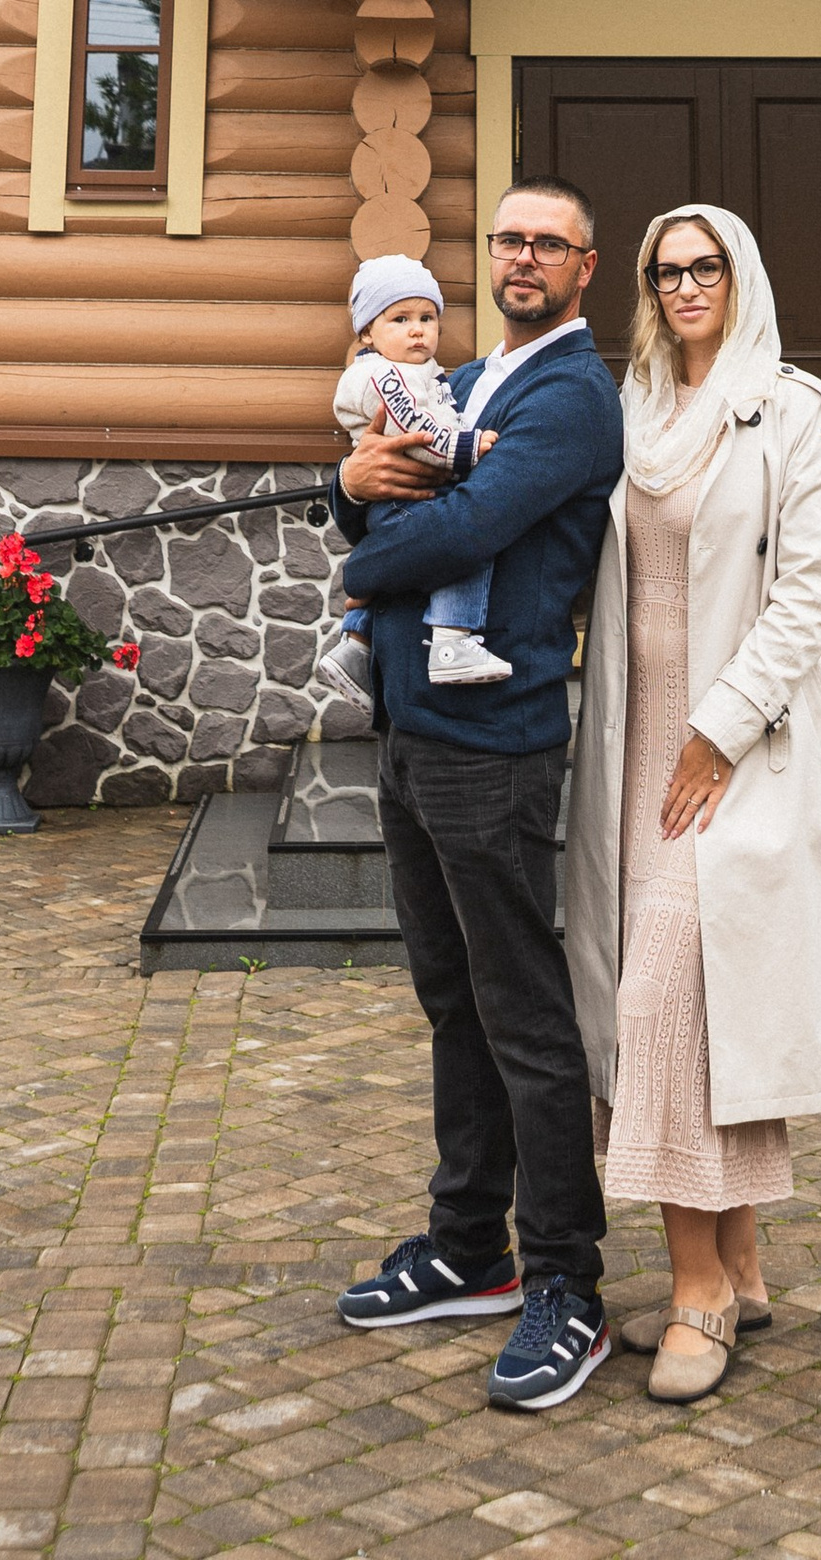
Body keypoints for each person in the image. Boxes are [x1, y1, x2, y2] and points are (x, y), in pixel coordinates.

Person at [564, 201, 821, 1405]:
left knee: (669, 1004)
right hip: (628, 739)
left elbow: (813, 597)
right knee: (679, 1007)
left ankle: (696, 1287)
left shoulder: (792, 410)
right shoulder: (631, 412)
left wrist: (717, 729)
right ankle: (745, 1265)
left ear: (740, 274)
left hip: (732, 748)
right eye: (666, 272)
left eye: (704, 267)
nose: (685, 286)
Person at [332, 182, 626, 1415]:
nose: (522, 257)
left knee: (521, 1011)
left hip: (493, 739)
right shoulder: (468, 378)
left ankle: (568, 1280)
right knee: (451, 997)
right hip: (411, 722)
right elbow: (384, 487)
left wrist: (360, 534)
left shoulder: (571, 397)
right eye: (507, 239)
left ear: (584, 266)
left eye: (547, 242)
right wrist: (355, 478)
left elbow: (459, 531)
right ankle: (470, 1249)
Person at [317, 253, 508, 701]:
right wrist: (466, 447)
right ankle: (451, 642)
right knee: (461, 547)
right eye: (399, 319)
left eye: (427, 317)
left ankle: (355, 644)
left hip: (405, 493)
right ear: (367, 331)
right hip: (404, 498)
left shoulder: (423, 372)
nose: (417, 329)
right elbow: (411, 429)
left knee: (403, 562)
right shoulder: (380, 374)